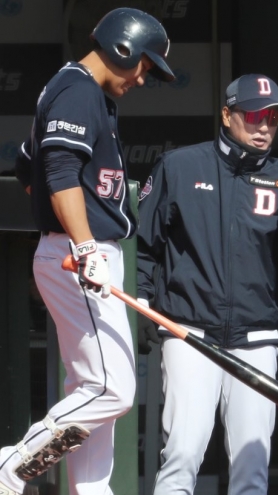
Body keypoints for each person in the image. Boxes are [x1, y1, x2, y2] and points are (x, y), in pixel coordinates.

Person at [2, 7, 174, 495]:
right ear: (123, 48)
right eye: (144, 64)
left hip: (79, 251)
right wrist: (81, 243)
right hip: (78, 255)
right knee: (112, 389)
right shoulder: (77, 89)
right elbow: (56, 174)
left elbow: (26, 169)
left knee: (92, 393)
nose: (144, 77)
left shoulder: (80, 91)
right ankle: (11, 465)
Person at [136, 74, 278, 495]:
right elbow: (144, 245)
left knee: (251, 469)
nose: (264, 126)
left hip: (256, 334)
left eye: (274, 118)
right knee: (182, 456)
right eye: (255, 114)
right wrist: (140, 302)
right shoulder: (180, 166)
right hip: (190, 332)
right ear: (227, 114)